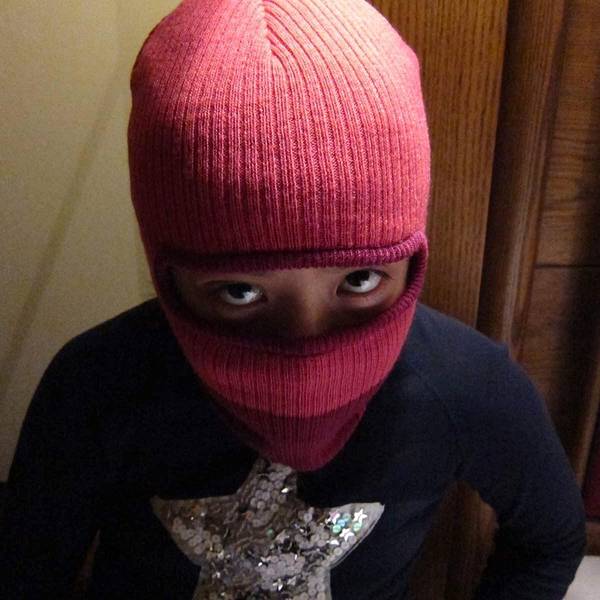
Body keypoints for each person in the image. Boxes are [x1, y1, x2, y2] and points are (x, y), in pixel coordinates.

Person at [0, 0, 587, 598]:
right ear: (167, 274)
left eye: (360, 280)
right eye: (240, 291)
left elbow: (550, 540)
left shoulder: (463, 385)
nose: (307, 355)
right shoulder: (96, 386)